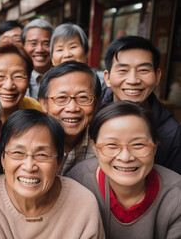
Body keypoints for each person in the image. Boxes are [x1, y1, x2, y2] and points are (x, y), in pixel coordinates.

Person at [0, 109, 104, 239]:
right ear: (3, 160)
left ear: (58, 164)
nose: (29, 167)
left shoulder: (82, 203)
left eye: (42, 155)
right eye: (18, 153)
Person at [67, 101, 181, 239]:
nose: (125, 157)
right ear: (95, 148)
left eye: (138, 144)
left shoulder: (176, 195)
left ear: (155, 147)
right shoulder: (78, 181)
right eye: (112, 145)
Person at [101, 35, 181, 174]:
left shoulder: (171, 133)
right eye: (123, 70)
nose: (133, 80)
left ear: (157, 77)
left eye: (143, 70)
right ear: (107, 78)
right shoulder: (91, 106)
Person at [38, 61, 102, 175]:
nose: (72, 108)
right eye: (61, 98)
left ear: (96, 103)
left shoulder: (104, 146)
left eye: (83, 97)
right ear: (44, 104)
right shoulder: (30, 141)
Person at [0, 44, 42, 123]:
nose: (9, 86)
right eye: (0, 76)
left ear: (29, 80)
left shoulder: (34, 109)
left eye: (18, 76)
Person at [22, 19, 53, 99]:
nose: (39, 50)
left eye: (46, 44)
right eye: (33, 43)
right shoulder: (17, 77)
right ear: (23, 46)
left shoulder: (63, 76)